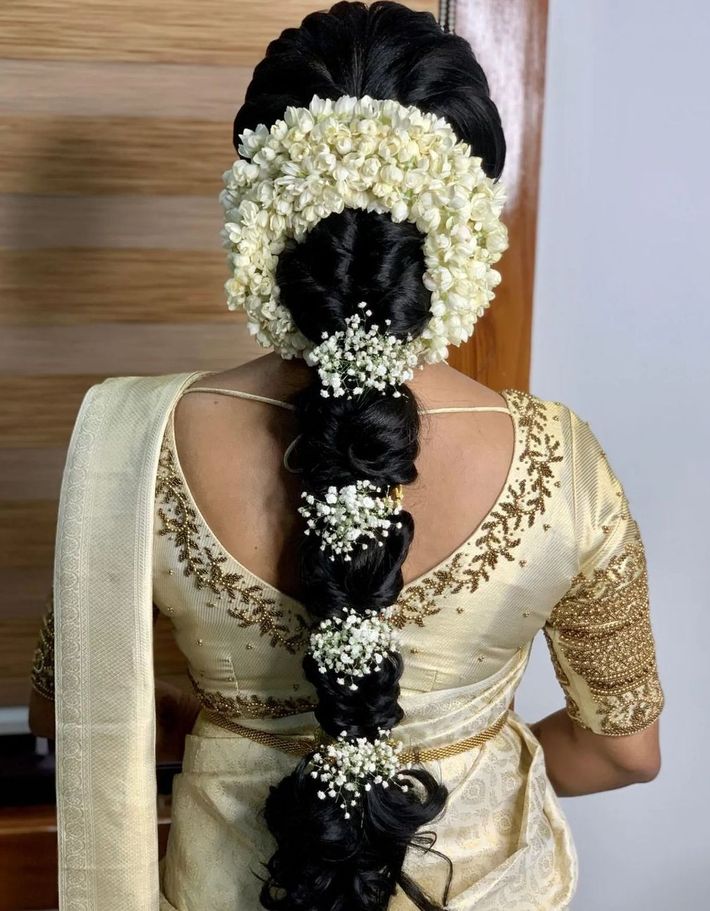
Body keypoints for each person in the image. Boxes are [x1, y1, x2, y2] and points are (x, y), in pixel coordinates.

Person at [28, 3, 664, 909]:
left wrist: (234, 726)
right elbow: (622, 748)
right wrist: (460, 760)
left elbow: (73, 711)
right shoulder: (564, 464)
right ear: (463, 218)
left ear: (262, 206)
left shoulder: (129, 438)